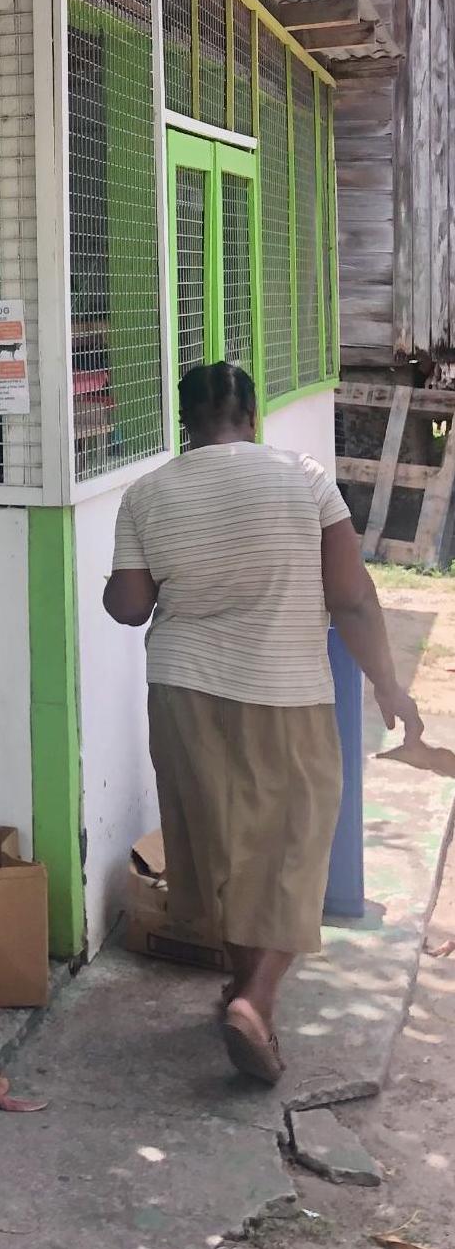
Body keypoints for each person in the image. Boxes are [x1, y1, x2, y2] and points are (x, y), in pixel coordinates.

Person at [103, 362, 424, 1084]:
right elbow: (353, 599)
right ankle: (256, 997)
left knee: (223, 845)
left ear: (182, 418)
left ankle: (245, 998)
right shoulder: (304, 477)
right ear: (252, 415)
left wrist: (127, 578)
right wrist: (388, 685)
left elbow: (128, 606)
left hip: (183, 691)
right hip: (287, 690)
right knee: (294, 847)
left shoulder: (147, 493)